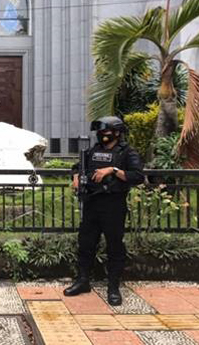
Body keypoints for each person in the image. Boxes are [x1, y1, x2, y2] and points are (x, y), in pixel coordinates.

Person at [64, 116, 144, 306]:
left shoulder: (127, 152)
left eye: (105, 132)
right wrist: (76, 177)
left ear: (117, 132)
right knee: (86, 244)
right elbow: (77, 167)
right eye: (100, 132)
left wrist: (112, 170)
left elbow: (137, 176)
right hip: (92, 203)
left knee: (114, 246)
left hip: (113, 205)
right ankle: (83, 281)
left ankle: (113, 287)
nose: (102, 135)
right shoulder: (94, 150)